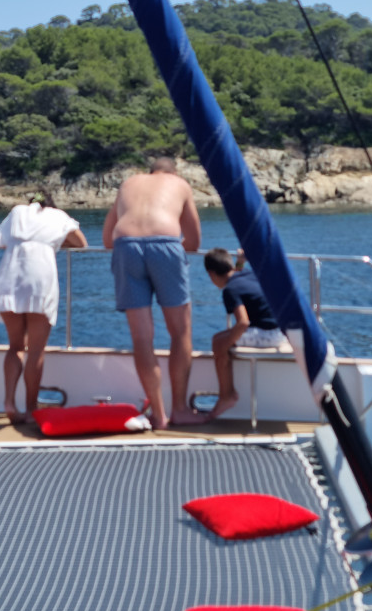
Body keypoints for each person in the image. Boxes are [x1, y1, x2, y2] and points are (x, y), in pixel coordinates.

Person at [101, 157, 201, 429]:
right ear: (173, 172)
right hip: (165, 244)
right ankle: (179, 409)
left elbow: (107, 239)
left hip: (126, 246)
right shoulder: (179, 184)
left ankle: (158, 415)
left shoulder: (129, 184)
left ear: (149, 172)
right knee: (180, 332)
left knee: (142, 338)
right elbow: (193, 241)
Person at [0, 192, 88, 423]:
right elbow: (81, 243)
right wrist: (55, 241)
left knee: (15, 346)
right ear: (51, 204)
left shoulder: (17, 212)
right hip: (40, 278)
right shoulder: (58, 216)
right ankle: (30, 409)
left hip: (10, 276)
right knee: (36, 350)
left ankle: (9, 401)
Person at [201, 247, 290, 419]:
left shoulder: (230, 290)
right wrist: (240, 262)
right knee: (221, 340)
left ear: (211, 274)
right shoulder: (246, 275)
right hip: (279, 329)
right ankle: (227, 394)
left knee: (218, 343)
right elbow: (239, 284)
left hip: (268, 336)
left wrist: (225, 344)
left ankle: (227, 396)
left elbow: (243, 322)